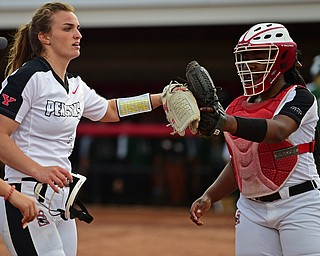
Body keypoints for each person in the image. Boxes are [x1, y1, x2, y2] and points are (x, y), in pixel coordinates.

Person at [0, 2, 163, 255]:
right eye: (68, 28)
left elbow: (109, 110)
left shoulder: (75, 85)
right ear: (44, 37)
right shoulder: (28, 77)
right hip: (25, 192)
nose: (78, 35)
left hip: (60, 196)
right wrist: (39, 170)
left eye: (78, 28)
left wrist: (161, 98)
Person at [189, 23, 320, 256]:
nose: (250, 64)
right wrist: (210, 195)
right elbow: (241, 163)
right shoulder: (236, 106)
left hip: (299, 203)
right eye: (246, 57)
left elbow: (279, 130)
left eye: (260, 56)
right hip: (251, 208)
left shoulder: (300, 96)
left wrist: (226, 122)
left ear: (283, 58)